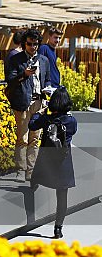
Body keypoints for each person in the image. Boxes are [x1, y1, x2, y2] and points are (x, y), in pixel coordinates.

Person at [28, 86, 77, 239]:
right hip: (63, 161)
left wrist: (40, 112)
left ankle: (34, 184)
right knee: (62, 197)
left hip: (46, 159)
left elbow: (32, 125)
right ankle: (58, 229)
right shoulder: (71, 121)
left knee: (36, 178)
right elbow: (73, 131)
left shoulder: (47, 119)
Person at [5, 28, 51, 182]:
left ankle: (30, 171)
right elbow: (10, 81)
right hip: (23, 103)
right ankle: (20, 170)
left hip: (39, 103)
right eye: (30, 44)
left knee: (34, 139)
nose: (33, 47)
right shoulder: (15, 59)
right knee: (22, 138)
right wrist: (24, 75)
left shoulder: (44, 60)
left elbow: (48, 79)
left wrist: (48, 91)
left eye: (36, 44)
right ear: (25, 43)